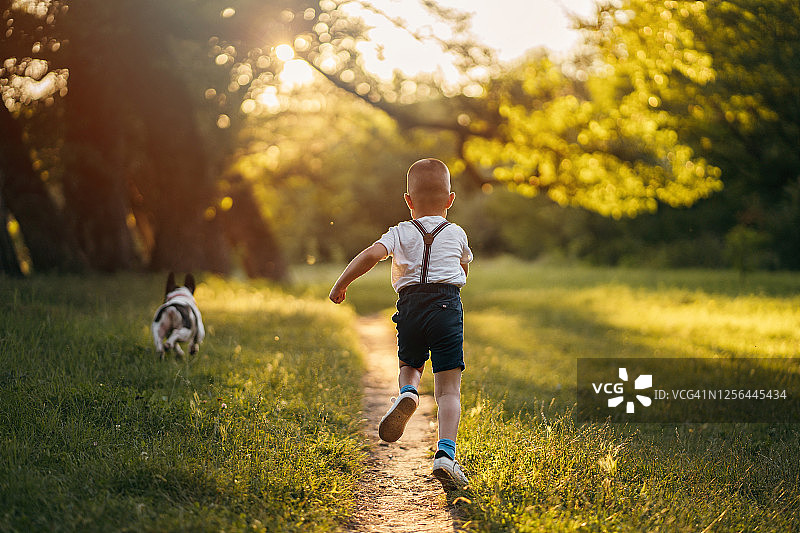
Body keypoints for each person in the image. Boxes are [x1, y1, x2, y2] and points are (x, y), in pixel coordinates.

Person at [329, 158, 472, 490]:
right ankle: (445, 455)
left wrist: (341, 284)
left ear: (408, 201)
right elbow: (463, 271)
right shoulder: (457, 233)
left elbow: (369, 254)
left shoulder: (400, 231)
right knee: (449, 388)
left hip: (410, 307)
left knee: (410, 363)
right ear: (450, 200)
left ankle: (407, 391)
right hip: (447, 305)